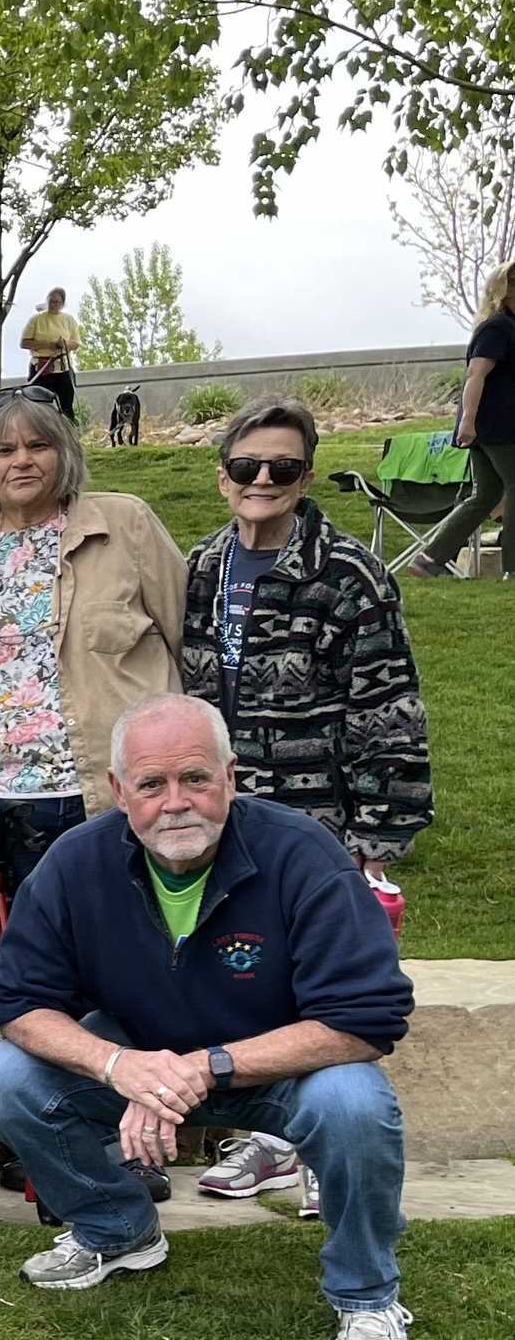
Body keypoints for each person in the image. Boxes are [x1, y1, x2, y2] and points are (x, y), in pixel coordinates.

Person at [0, 696, 418, 1340]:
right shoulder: (75, 864)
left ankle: (366, 1294)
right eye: (151, 784)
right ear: (121, 792)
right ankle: (117, 1231)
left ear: (230, 777)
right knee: (1, 1077)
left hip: (280, 1071)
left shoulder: (302, 854)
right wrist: (117, 1065)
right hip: (142, 1062)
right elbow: (13, 1003)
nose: (175, 802)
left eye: (195, 779)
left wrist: (207, 1065)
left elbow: (366, 1019)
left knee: (356, 1104)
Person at [176, 397, 428, 1212]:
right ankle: (273, 1142)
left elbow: (388, 710)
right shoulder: (202, 568)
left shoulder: (350, 574)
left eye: (281, 467)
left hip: (323, 820)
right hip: (229, 819)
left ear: (305, 475)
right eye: (247, 466)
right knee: (251, 972)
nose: (262, 480)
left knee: (329, 987)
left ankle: (324, 1142)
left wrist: (378, 839)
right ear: (223, 477)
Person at [0, 387, 184, 896]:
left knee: (111, 951)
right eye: (3, 450)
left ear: (65, 452)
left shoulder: (127, 525)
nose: (22, 461)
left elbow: (189, 641)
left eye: (38, 445)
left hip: (105, 793)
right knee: (10, 956)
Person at [406, 260, 515, 577]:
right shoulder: (498, 328)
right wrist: (467, 422)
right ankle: (513, 568)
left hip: (490, 428)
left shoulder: (506, 327)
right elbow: (475, 375)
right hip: (498, 428)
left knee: (485, 496)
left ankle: (429, 559)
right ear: (504, 290)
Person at [18, 287, 83, 421]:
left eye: (57, 302)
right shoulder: (36, 319)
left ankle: (68, 435)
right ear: (47, 301)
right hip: (41, 368)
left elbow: (76, 343)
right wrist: (47, 344)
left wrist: (63, 344)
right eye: (51, 301)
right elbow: (24, 343)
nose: (54, 305)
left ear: (62, 304)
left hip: (62, 367)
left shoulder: (69, 320)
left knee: (66, 405)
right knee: (38, 405)